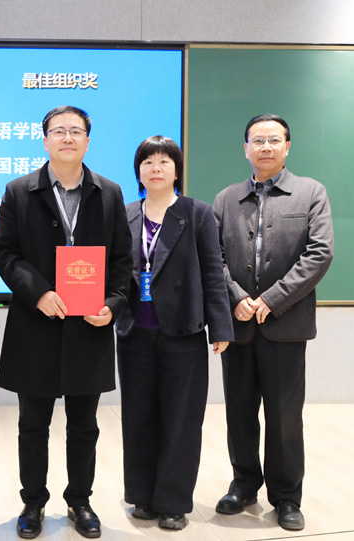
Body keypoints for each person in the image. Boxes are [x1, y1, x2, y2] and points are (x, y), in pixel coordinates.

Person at [0, 105, 133, 539]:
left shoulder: (109, 193)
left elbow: (123, 261)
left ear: (88, 140)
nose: (67, 137)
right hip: (35, 326)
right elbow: (4, 253)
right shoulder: (19, 191)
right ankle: (33, 503)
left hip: (89, 328)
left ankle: (80, 501)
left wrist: (112, 304)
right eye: (59, 131)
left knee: (84, 427)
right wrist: (38, 292)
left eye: (76, 131)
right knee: (32, 425)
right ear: (45, 139)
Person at [212, 114, 333, 531]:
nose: (265, 147)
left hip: (286, 325)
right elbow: (213, 257)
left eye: (274, 140)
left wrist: (271, 299)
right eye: (257, 140)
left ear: (287, 146)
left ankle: (286, 496)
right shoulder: (226, 199)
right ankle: (244, 484)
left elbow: (319, 253)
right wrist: (237, 298)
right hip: (238, 324)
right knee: (239, 412)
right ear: (245, 148)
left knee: (284, 416)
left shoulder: (311, 192)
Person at [114, 136, 234, 530]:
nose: (156, 168)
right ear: (138, 171)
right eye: (148, 162)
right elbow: (115, 271)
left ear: (177, 170)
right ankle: (142, 496)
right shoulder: (126, 215)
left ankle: (173, 502)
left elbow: (213, 271)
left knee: (181, 420)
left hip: (183, 331)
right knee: (138, 417)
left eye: (164, 161)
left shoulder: (196, 213)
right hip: (134, 333)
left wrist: (220, 326)